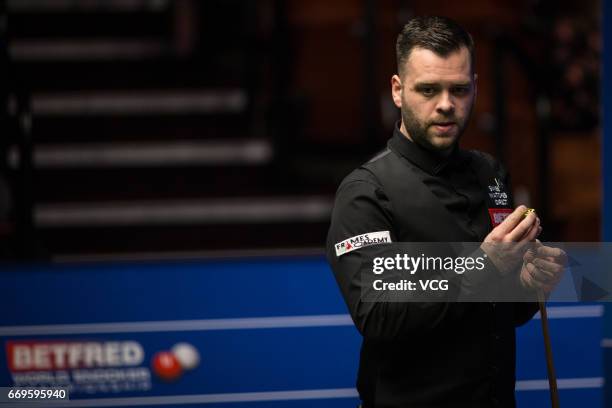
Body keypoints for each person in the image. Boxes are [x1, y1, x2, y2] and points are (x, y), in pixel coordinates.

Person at [326, 16, 566, 408]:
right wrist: (485, 265)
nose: (445, 105)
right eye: (428, 90)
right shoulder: (366, 194)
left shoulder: (491, 173)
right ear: (398, 91)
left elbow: (501, 311)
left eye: (458, 89)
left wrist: (529, 283)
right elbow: (378, 313)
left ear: (475, 88)